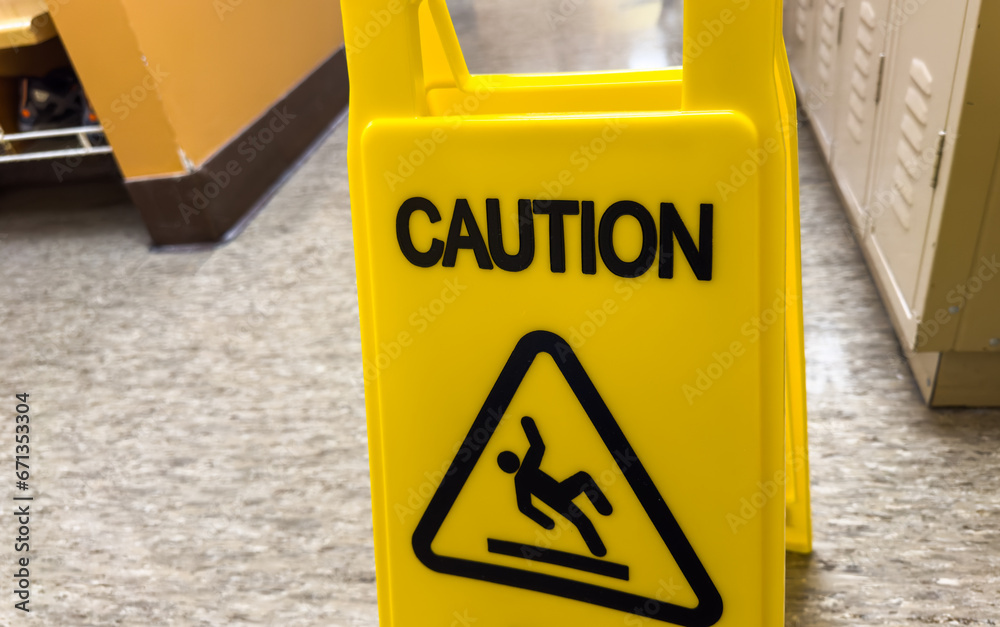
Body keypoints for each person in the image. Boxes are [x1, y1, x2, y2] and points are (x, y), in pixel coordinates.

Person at [497, 416, 613, 557]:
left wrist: (547, 522)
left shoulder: (521, 476)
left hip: (560, 491)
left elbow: (525, 507)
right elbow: (525, 507)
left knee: (583, 483)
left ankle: (604, 508)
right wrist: (546, 522)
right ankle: (599, 549)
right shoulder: (523, 472)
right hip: (558, 499)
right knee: (582, 518)